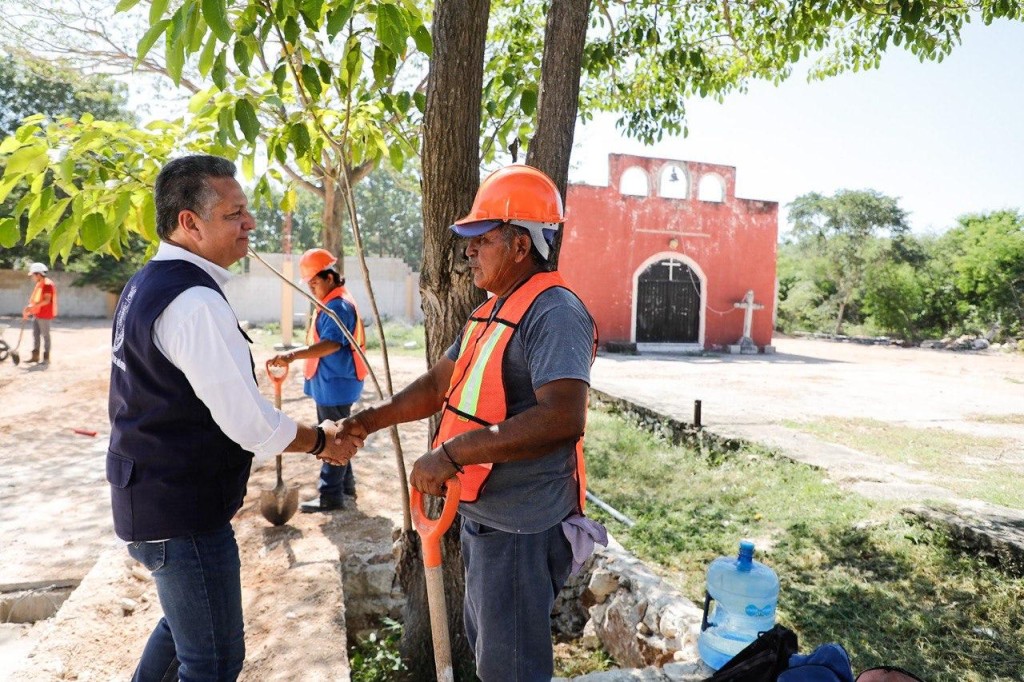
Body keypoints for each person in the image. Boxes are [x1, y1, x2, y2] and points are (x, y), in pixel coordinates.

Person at [333, 165, 605, 681]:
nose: (467, 251)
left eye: (480, 240)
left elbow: (563, 417)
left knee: (511, 669)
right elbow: (440, 384)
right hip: (487, 514)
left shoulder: (554, 312)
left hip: (521, 524)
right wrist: (368, 421)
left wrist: (452, 454)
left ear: (521, 244)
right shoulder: (492, 311)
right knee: (492, 656)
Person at [106, 155, 359, 682]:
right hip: (183, 513)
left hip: (152, 499)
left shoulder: (148, 283)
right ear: (189, 223)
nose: (250, 223)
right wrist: (320, 441)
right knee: (214, 661)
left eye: (246, 211)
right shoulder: (193, 300)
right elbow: (247, 423)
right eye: (234, 213)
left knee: (182, 632)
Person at [269, 248, 368, 512]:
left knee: (332, 438)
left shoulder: (338, 305)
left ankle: (330, 495)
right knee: (342, 434)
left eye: (315, 282)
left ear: (331, 278)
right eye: (309, 283)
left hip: (335, 383)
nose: (312, 288)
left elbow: (331, 344)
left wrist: (292, 355)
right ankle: (346, 486)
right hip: (332, 381)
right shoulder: (335, 301)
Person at [23, 262, 57, 364]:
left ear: (38, 274)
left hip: (45, 315)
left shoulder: (47, 284)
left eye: (33, 275)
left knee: (46, 336)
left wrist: (32, 307)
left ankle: (46, 358)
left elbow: (46, 300)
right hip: (37, 314)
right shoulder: (40, 284)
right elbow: (36, 300)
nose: (32, 277)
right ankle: (35, 357)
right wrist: (30, 310)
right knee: (36, 335)